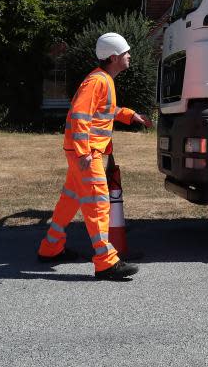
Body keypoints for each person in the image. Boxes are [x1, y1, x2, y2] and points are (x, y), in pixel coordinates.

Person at [37, 33, 153, 280]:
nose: (129, 56)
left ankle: (50, 247)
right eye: (126, 53)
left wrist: (132, 116)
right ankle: (105, 262)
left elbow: (107, 111)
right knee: (98, 204)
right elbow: (79, 115)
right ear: (114, 57)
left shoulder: (104, 80)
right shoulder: (97, 81)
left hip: (85, 152)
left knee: (70, 199)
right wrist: (84, 152)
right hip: (88, 154)